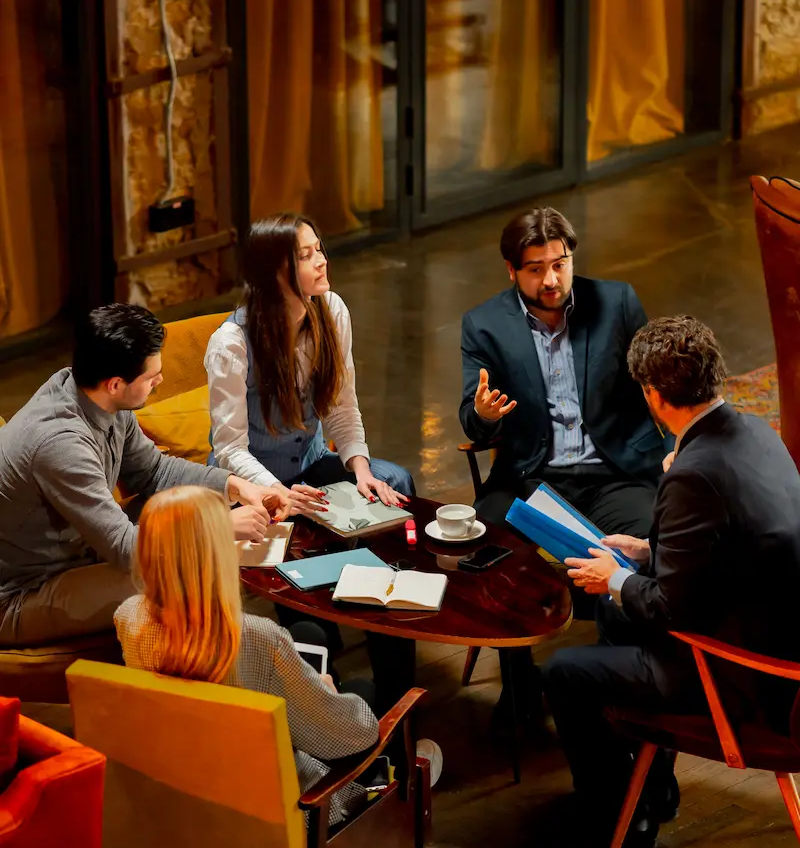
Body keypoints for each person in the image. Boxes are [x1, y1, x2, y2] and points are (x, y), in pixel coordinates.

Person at [542, 315, 800, 848]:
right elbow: (737, 545)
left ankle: (613, 812)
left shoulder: (691, 471)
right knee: (616, 611)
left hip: (737, 671)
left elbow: (667, 609)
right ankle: (652, 793)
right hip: (774, 631)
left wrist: (615, 578)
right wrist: (645, 551)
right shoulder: (755, 429)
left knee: (566, 671)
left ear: (655, 395)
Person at [0, 304, 292, 647]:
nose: (161, 381)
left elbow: (154, 472)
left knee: (198, 507)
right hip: (24, 592)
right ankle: (228, 675)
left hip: (78, 552)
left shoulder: (93, 395)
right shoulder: (60, 445)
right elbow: (126, 549)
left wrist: (237, 487)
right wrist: (220, 527)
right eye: (152, 376)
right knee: (182, 568)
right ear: (115, 384)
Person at [115, 486, 380, 826]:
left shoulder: (128, 617)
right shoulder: (254, 636)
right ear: (216, 552)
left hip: (184, 784)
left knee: (307, 636)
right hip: (273, 807)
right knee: (362, 693)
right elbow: (351, 735)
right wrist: (326, 691)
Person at [460, 207, 671, 537]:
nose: (551, 280)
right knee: (483, 544)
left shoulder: (617, 303)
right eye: (535, 269)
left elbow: (664, 384)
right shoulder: (485, 325)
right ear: (511, 271)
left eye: (560, 265)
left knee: (657, 541)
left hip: (616, 474)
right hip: (532, 478)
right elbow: (473, 424)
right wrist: (485, 415)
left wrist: (675, 451)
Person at [205, 213, 414, 508]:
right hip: (248, 483)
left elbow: (341, 406)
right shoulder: (231, 343)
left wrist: (361, 471)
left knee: (393, 481)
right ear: (272, 273)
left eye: (318, 249)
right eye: (305, 256)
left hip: (310, 467)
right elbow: (229, 449)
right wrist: (278, 491)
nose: (321, 261)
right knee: (277, 521)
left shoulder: (332, 309)